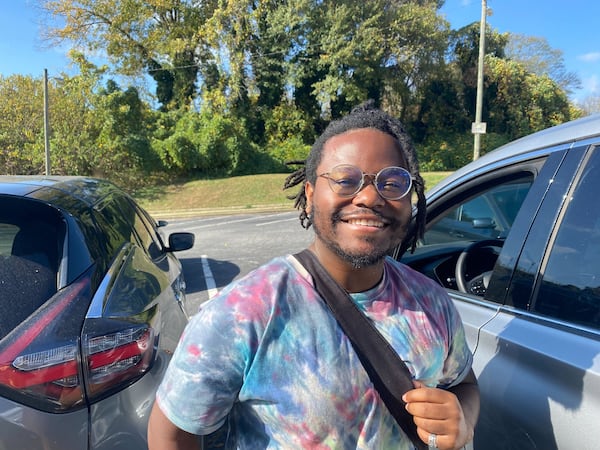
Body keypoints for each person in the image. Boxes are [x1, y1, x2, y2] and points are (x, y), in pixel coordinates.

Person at [147, 101, 480, 450]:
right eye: (345, 180)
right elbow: (171, 433)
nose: (368, 196)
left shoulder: (431, 302)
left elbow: (464, 384)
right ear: (310, 195)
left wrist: (464, 418)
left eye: (392, 182)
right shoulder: (243, 312)